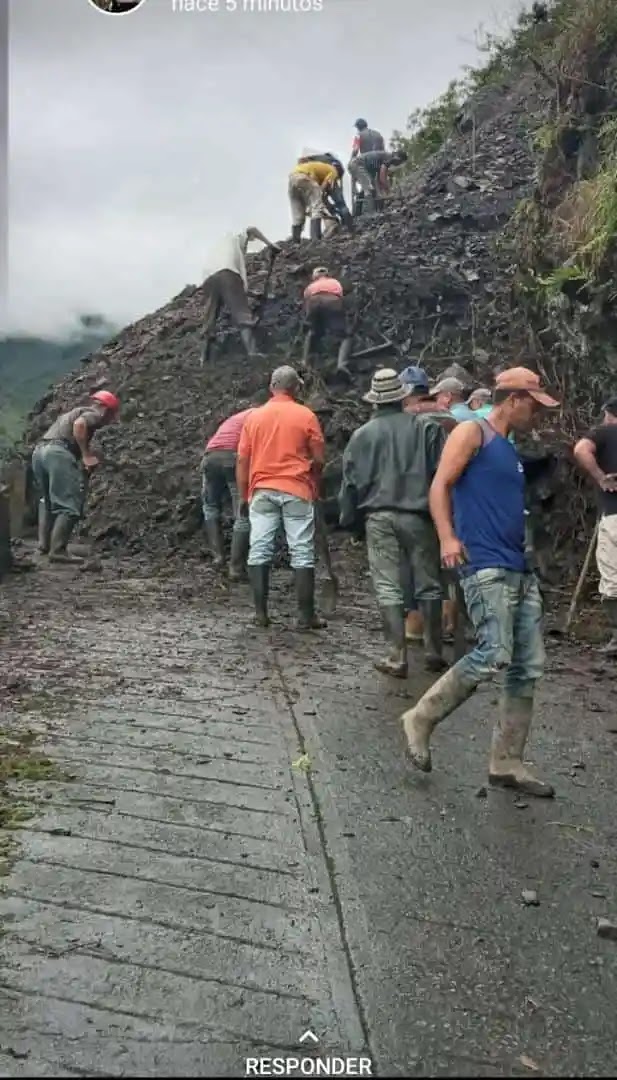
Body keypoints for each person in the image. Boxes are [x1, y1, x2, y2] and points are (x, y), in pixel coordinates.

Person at [400, 367, 559, 797]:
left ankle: (507, 761)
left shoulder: (507, 450)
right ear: (514, 399)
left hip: (516, 566)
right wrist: (448, 536)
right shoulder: (472, 434)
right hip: (484, 563)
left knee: (527, 666)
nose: (537, 415)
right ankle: (421, 717)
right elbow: (440, 485)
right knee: (493, 653)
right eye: (534, 405)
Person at [339, 368, 447, 677]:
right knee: (429, 583)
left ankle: (397, 657)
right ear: (401, 397)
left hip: (379, 517)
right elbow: (443, 476)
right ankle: (433, 651)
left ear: (374, 401)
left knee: (388, 585)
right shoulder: (426, 428)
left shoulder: (361, 436)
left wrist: (351, 522)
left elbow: (350, 484)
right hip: (420, 516)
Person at [236, 366, 326, 631]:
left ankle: (261, 614)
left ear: (271, 387)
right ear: (295, 388)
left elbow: (242, 459)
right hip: (297, 489)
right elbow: (319, 459)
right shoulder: (306, 415)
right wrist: (315, 482)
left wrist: (244, 495)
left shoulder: (254, 418)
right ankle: (305, 617)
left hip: (262, 490)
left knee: (260, 548)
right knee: (301, 552)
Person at [31, 390, 120, 564]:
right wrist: (86, 455)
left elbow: (76, 436)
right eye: (110, 414)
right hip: (58, 454)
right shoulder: (93, 414)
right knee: (68, 505)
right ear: (105, 408)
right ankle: (58, 551)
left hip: (40, 452)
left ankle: (44, 545)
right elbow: (80, 426)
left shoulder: (70, 415)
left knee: (47, 501)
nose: (109, 420)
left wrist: (86, 458)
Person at [200, 226, 280, 365]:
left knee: (210, 318)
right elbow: (252, 228)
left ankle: (203, 359)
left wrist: (252, 294)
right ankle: (252, 352)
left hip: (208, 279)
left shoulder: (219, 249)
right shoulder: (236, 237)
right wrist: (270, 245)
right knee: (242, 315)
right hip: (228, 273)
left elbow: (229, 288)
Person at [574, 398, 617, 655]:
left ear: (608, 414)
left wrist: (601, 477)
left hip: (614, 515)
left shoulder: (604, 432)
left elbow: (580, 449)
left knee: (613, 578)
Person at [201, 405, 258, 580]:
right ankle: (236, 569)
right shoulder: (263, 417)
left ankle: (218, 558)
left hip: (210, 456)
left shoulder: (241, 416)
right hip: (233, 457)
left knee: (210, 506)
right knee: (242, 512)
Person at [302, 267, 353, 376]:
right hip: (333, 301)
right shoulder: (335, 282)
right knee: (346, 336)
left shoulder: (310, 286)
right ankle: (342, 365)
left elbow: (307, 302)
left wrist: (308, 320)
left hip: (313, 302)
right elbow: (341, 297)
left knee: (312, 333)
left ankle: (305, 364)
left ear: (314, 277)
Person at [289, 158, 340, 242]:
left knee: (297, 212)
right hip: (303, 177)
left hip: (292, 179)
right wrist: (321, 195)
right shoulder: (334, 171)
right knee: (317, 207)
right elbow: (324, 184)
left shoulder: (312, 166)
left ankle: (296, 241)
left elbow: (310, 187)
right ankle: (315, 239)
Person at [349, 150, 407, 214]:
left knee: (374, 190)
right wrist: (389, 192)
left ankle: (360, 212)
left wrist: (382, 192)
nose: (398, 164)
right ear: (397, 157)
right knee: (369, 189)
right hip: (358, 164)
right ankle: (370, 213)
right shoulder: (389, 158)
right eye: (400, 162)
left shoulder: (385, 158)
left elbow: (379, 179)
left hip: (365, 167)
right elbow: (382, 178)